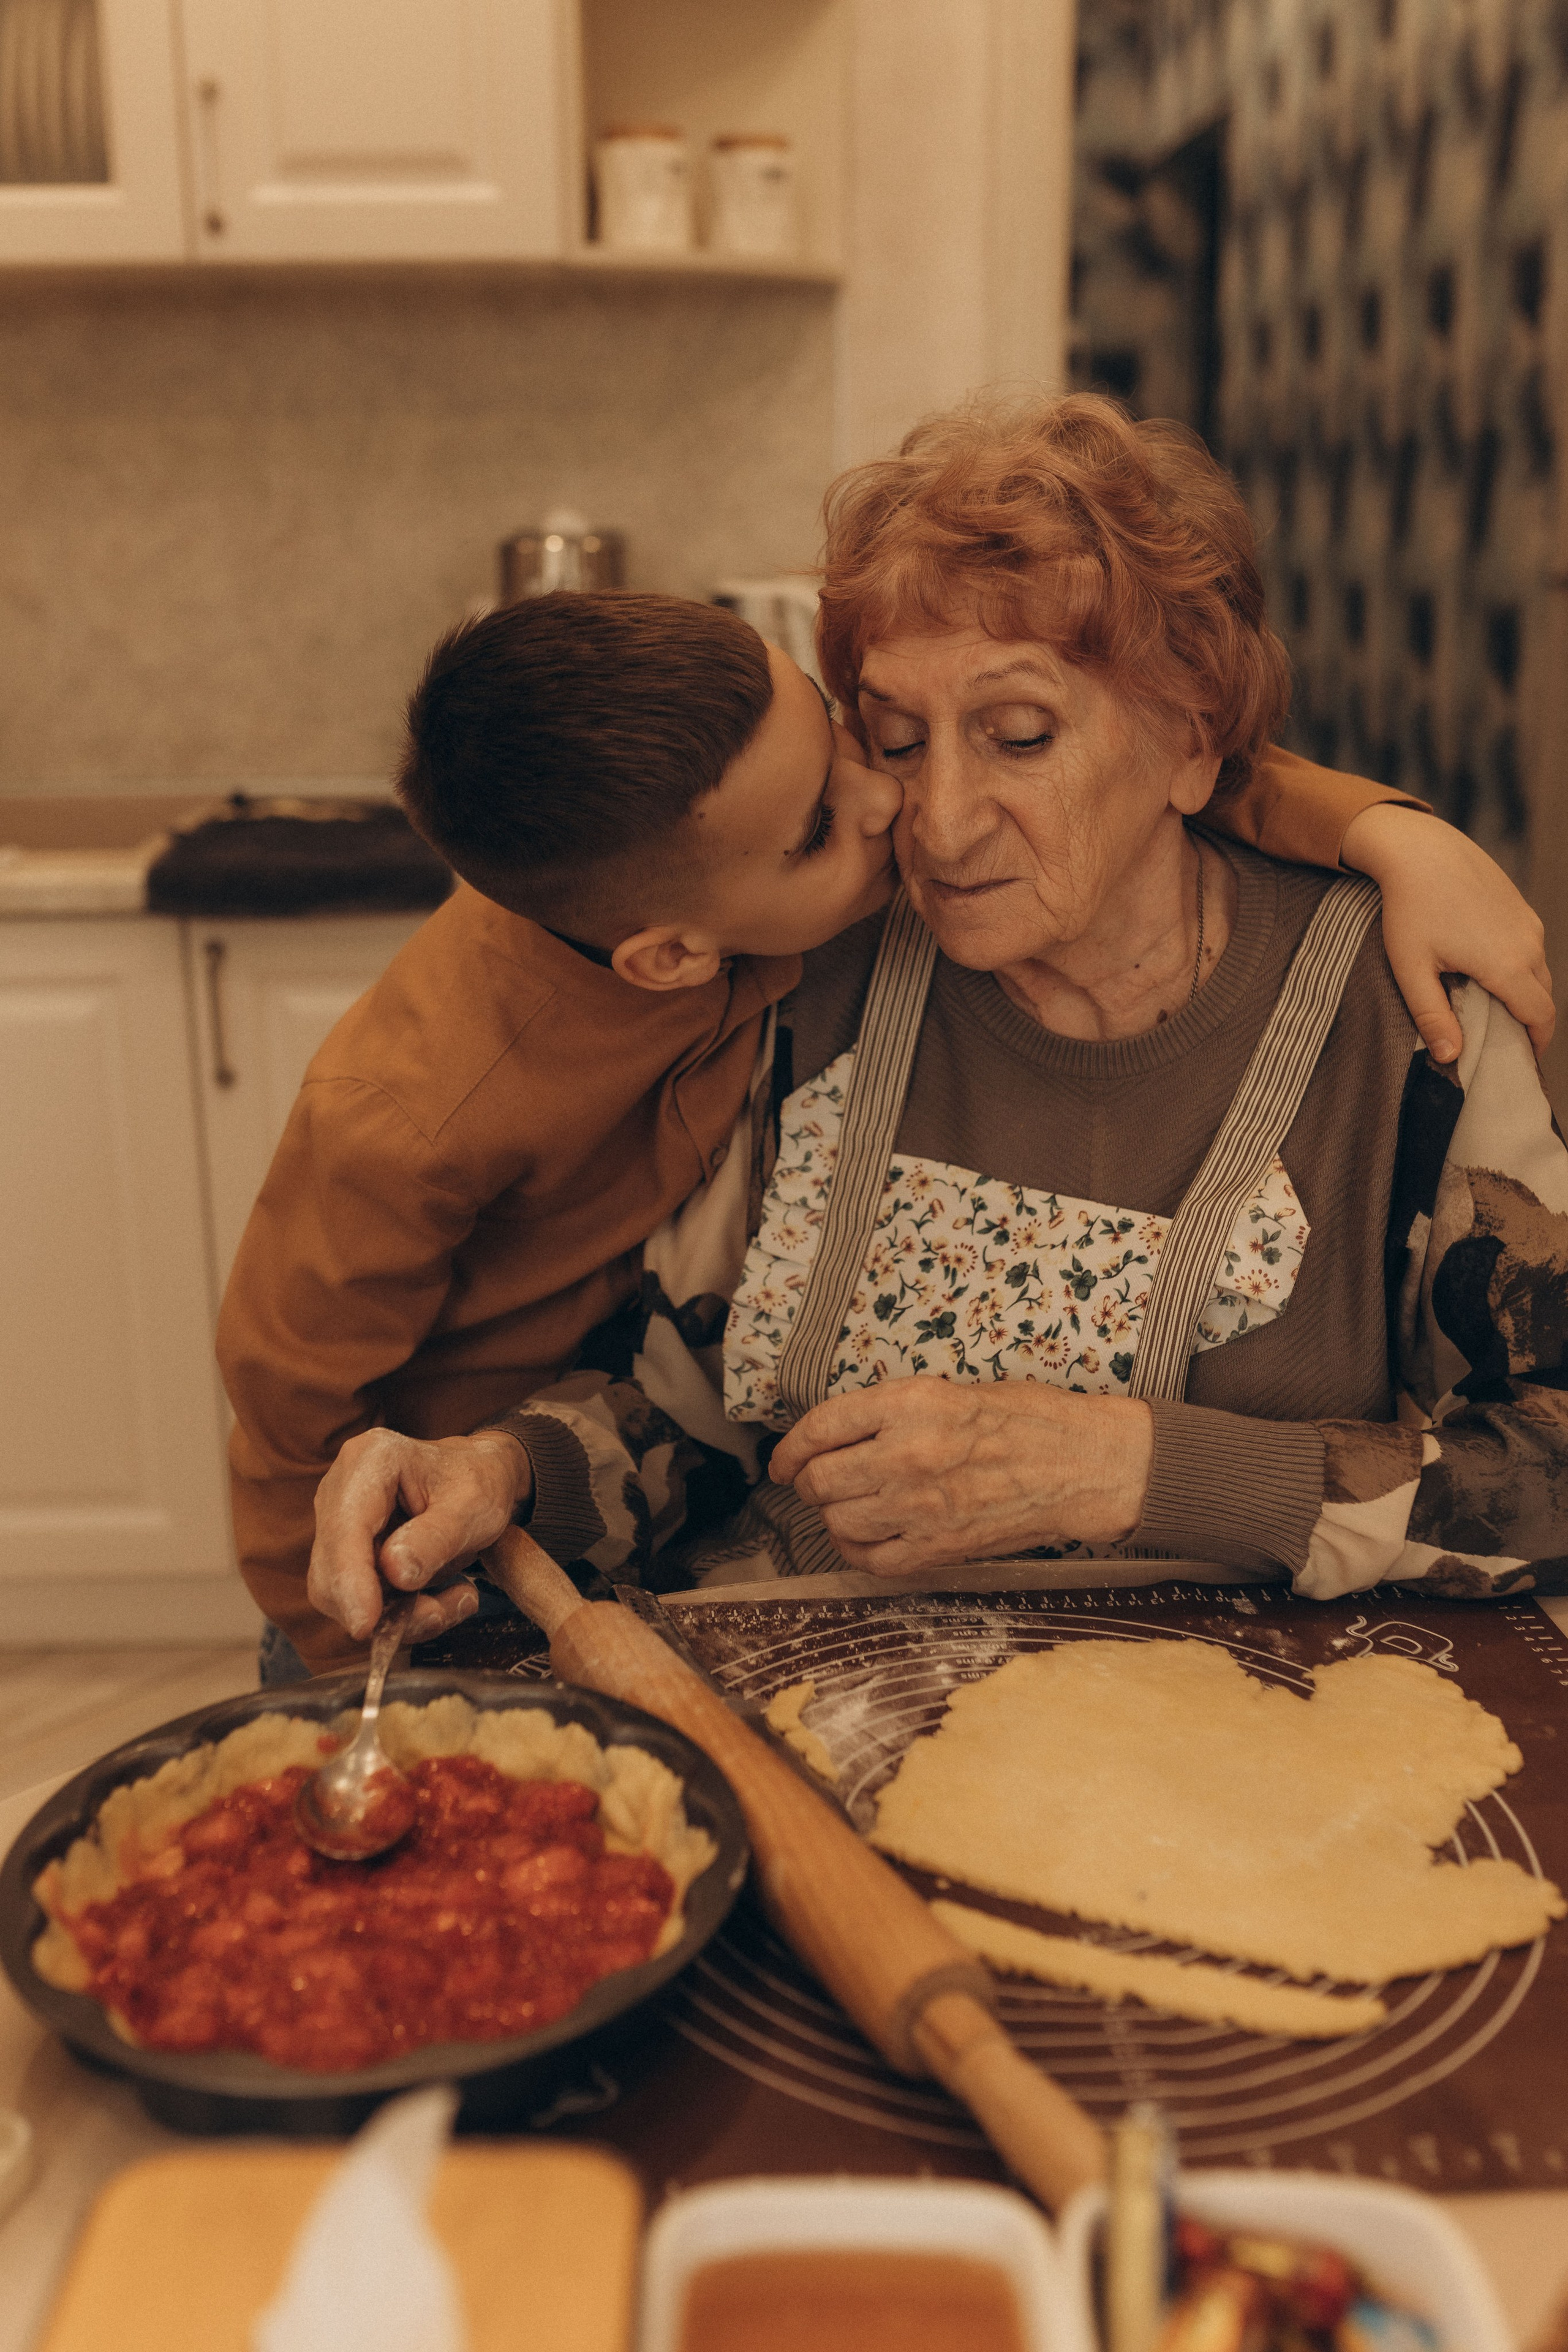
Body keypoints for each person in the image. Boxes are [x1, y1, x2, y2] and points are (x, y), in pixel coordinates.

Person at [299, 397, 1564, 1658]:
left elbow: (1548, 1464)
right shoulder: (806, 978)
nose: (940, 823)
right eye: (895, 741)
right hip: (818, 1694)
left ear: (1190, 742)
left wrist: (1133, 1468)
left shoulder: (1407, 1021)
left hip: (1250, 1733)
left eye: (1019, 737)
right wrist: (501, 1475)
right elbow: (686, 1415)